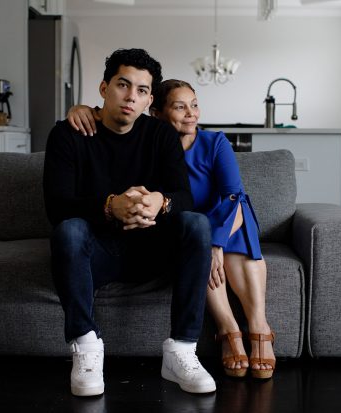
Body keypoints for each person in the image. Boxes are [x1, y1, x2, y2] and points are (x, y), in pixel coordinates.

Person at [67, 79, 276, 380]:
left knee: (222, 239)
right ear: (157, 113)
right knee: (195, 240)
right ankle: (229, 328)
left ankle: (259, 326)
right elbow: (114, 119)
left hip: (224, 219)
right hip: (186, 227)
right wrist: (80, 109)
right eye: (180, 107)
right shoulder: (148, 143)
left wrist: (216, 242)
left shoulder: (214, 142)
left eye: (194, 105)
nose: (191, 113)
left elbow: (234, 197)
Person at [43, 49, 216, 397]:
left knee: (196, 224)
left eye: (141, 91)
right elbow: (57, 206)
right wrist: (111, 206)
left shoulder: (161, 136)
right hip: (98, 255)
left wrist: (159, 202)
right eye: (123, 85)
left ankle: (181, 350)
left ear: (150, 99)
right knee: (69, 230)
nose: (130, 97)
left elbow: (184, 195)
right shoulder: (68, 134)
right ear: (104, 87)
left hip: (153, 250)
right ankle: (86, 347)